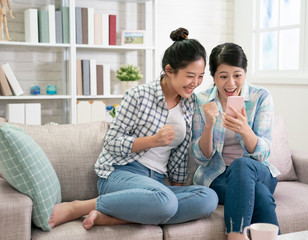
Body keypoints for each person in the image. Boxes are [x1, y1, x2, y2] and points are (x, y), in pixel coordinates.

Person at [49, 27, 218, 229]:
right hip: (120, 174)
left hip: (155, 183)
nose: (195, 83)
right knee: (165, 201)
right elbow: (111, 143)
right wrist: (153, 141)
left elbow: (179, 157)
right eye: (190, 76)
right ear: (169, 70)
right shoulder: (138, 96)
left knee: (208, 198)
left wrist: (175, 190)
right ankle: (78, 207)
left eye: (200, 76)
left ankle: (115, 216)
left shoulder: (189, 103)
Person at [191, 43, 281, 240]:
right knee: (259, 195)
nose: (231, 83)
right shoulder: (201, 100)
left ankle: (235, 237)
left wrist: (245, 130)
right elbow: (201, 158)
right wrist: (209, 125)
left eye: (237, 75)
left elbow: (263, 153)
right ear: (213, 77)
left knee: (242, 166)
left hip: (258, 171)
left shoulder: (261, 97)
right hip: (218, 175)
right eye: (223, 76)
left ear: (245, 74)